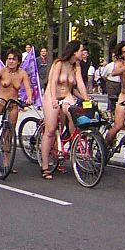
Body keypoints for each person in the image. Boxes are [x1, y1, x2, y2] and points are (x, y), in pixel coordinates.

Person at [39, 40, 89, 180]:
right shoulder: (59, 63)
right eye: (81, 50)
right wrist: (54, 99)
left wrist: (86, 100)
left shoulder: (76, 66)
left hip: (67, 95)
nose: (82, 52)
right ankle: (45, 166)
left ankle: (71, 144)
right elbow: (53, 82)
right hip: (52, 95)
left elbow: (80, 84)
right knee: (50, 130)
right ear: (74, 52)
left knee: (76, 115)